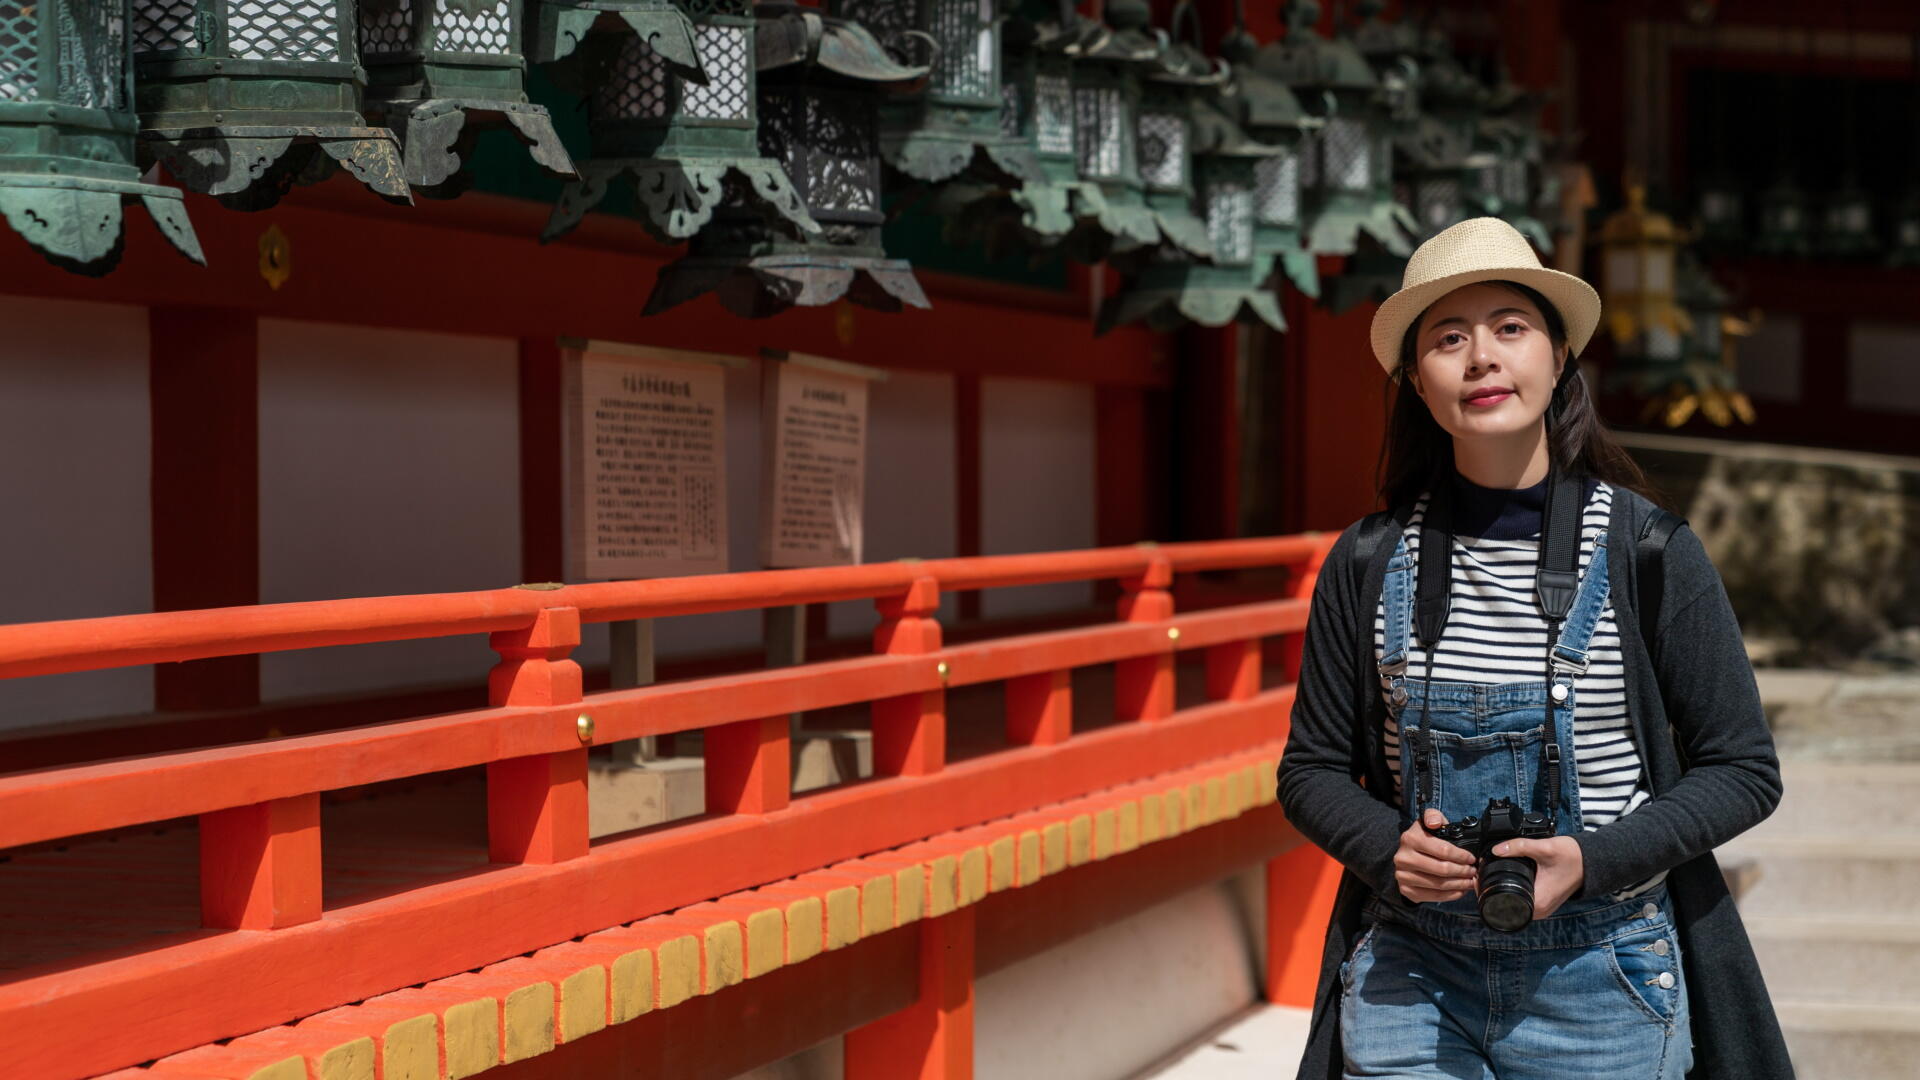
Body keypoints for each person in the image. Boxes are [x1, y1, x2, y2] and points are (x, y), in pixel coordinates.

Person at [1276, 217, 1792, 1079]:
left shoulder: (1650, 552)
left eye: (1510, 328)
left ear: (1558, 358)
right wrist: (1386, 847)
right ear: (1416, 380)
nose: (1482, 357)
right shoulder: (1367, 560)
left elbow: (1743, 770)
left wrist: (1592, 860)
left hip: (1604, 974)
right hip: (1414, 972)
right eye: (1449, 338)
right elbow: (1310, 770)